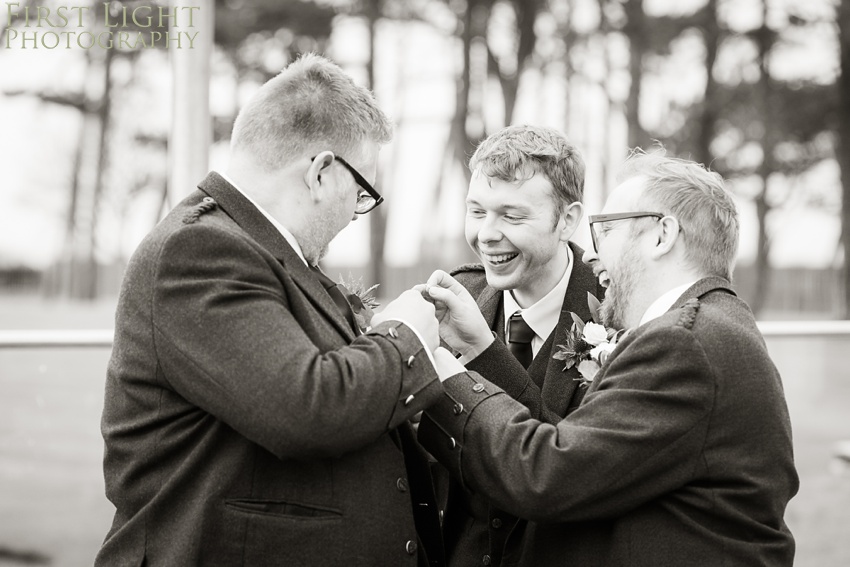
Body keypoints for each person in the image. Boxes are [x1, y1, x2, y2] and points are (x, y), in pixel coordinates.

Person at [96, 53, 446, 566]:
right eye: (362, 191)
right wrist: (405, 336)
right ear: (323, 172)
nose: (356, 212)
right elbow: (308, 409)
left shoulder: (262, 253)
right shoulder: (198, 252)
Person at [418, 150, 799, 566]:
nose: (591, 256)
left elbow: (548, 475)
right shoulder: (711, 327)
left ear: (661, 236)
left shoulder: (684, 344)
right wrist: (481, 351)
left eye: (604, 232)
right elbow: (584, 456)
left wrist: (440, 370)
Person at [430, 125, 604, 567]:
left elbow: (572, 474)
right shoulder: (454, 297)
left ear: (567, 219)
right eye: (476, 211)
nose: (487, 234)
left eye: (511, 216)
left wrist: (485, 352)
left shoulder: (616, 315)